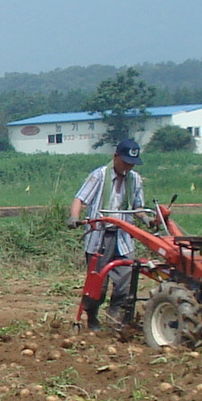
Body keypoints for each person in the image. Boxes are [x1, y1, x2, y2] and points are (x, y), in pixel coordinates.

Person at [69, 141, 145, 330]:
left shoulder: (135, 179)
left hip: (124, 237)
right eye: (125, 162)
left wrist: (146, 218)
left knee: (125, 281)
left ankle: (116, 319)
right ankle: (92, 317)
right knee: (98, 283)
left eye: (132, 163)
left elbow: (138, 207)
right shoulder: (99, 176)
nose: (128, 167)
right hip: (100, 236)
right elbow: (80, 198)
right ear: (115, 157)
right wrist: (74, 217)